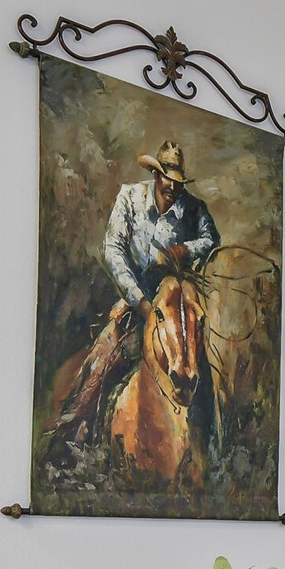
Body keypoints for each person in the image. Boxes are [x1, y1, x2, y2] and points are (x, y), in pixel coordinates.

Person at [46, 141, 219, 448]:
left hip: (173, 302)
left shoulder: (193, 209)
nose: (173, 188)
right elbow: (113, 249)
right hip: (136, 300)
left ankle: (212, 449)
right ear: (156, 175)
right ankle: (69, 437)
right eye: (168, 180)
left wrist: (185, 249)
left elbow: (211, 238)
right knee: (103, 359)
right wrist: (139, 301)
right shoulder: (130, 198)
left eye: (178, 183)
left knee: (198, 369)